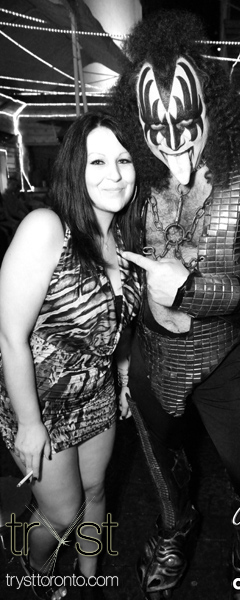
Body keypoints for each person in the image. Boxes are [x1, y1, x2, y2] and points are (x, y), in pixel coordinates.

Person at [110, 9, 240, 600]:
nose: (173, 140)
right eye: (156, 127)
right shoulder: (132, 183)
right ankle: (175, 528)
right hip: (152, 355)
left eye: (185, 120)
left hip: (227, 360)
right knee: (161, 459)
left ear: (211, 106)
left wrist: (193, 288)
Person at [0, 111, 141, 600]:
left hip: (97, 393)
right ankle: (35, 570)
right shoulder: (47, 228)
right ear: (74, 168)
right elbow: (10, 336)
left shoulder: (127, 241)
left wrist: (123, 374)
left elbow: (117, 322)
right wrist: (29, 424)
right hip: (39, 402)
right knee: (61, 513)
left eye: (124, 160)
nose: (114, 174)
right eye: (97, 161)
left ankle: (88, 578)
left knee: (97, 492)